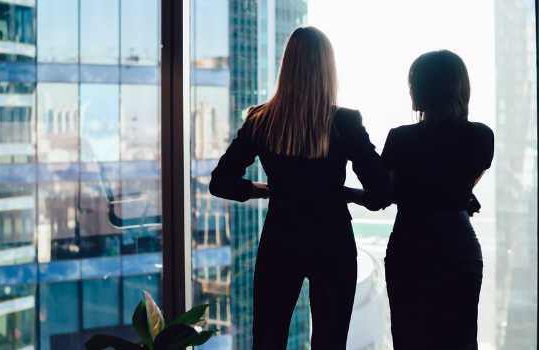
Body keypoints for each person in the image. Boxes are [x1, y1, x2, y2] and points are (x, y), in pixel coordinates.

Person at [209, 26, 393, 349]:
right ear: (328, 68)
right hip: (332, 243)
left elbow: (220, 183)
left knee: (268, 341)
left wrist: (264, 190)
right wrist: (347, 194)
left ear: (287, 66)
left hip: (280, 242)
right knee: (329, 342)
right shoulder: (345, 122)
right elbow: (381, 193)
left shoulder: (259, 121)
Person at [348, 50, 493, 349]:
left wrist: (343, 193)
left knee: (410, 336)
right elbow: (464, 185)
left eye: (413, 83)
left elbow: (380, 198)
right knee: (461, 338)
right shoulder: (481, 137)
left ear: (426, 88)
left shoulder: (401, 139)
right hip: (460, 245)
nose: (410, 89)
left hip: (411, 245)